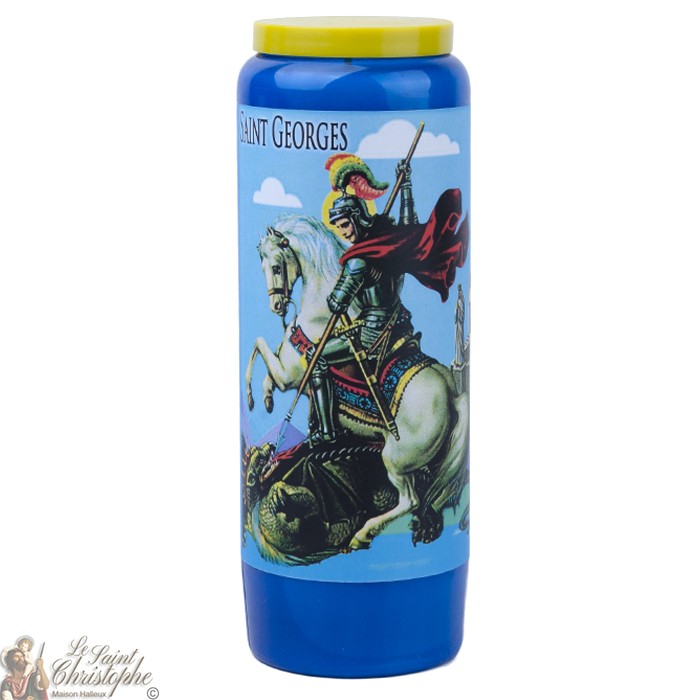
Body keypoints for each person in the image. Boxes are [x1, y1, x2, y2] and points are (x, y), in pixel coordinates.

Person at [308, 163, 469, 445]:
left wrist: (334, 295)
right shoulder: (388, 243)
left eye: (345, 224)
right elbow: (410, 230)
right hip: (399, 326)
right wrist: (405, 186)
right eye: (338, 227)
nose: (343, 232)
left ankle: (327, 433)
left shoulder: (358, 260)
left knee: (315, 358)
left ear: (357, 218)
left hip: (372, 334)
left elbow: (337, 303)